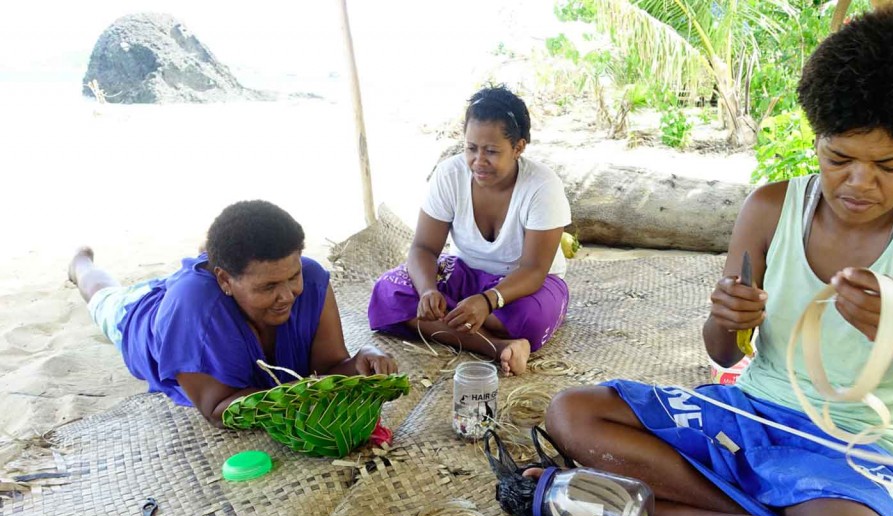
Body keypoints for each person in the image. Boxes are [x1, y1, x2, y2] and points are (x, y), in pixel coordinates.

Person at [543, 1, 893, 516]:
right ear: (816, 138)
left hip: (857, 454)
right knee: (573, 413)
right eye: (839, 159)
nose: (859, 183)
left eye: (889, 164)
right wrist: (729, 321)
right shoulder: (771, 208)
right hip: (748, 415)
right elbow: (723, 353)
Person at [68, 200, 397, 425]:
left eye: (291, 276)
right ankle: (80, 264)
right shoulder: (191, 312)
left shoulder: (310, 280)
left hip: (213, 286)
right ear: (224, 279)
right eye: (268, 287)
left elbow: (329, 368)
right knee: (105, 298)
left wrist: (360, 362)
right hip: (146, 316)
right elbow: (217, 409)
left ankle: (210, 254)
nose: (287, 296)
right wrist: (303, 398)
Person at [367, 85, 572, 376]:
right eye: (471, 148)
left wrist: (489, 301)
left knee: (530, 317)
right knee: (388, 290)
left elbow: (534, 270)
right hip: (463, 272)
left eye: (491, 151)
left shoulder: (542, 187)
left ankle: (456, 320)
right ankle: (499, 346)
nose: (478, 161)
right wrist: (427, 291)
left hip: (522, 286)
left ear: (519, 147)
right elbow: (423, 248)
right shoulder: (449, 175)